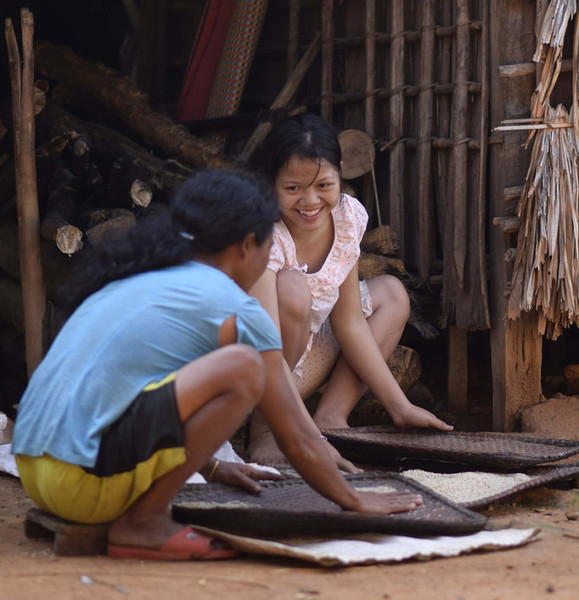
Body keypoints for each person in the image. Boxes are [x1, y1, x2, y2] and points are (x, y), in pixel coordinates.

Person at [11, 170, 422, 561]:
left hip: (38, 472)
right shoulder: (235, 307)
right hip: (84, 487)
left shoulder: (137, 280)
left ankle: (143, 509)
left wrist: (209, 464)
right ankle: (144, 522)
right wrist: (351, 499)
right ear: (248, 245)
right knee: (243, 367)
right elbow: (296, 434)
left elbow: (125, 393)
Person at [245, 114, 452, 463]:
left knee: (392, 294)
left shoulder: (346, 217)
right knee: (293, 290)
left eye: (323, 185)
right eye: (293, 188)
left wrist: (399, 406)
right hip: (252, 377)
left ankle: (331, 418)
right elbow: (264, 347)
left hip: (305, 363)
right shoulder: (264, 235)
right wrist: (306, 441)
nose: (310, 201)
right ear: (271, 184)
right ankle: (267, 433)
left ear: (340, 171)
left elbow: (350, 322)